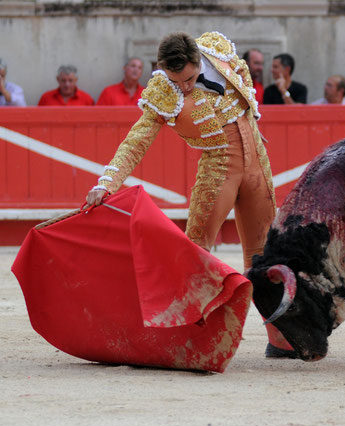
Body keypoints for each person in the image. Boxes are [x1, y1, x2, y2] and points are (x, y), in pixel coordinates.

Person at [85, 31, 294, 359]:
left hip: (257, 169)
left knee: (265, 255)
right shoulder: (162, 89)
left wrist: (251, 118)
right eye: (175, 79)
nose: (182, 87)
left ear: (200, 61)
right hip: (218, 171)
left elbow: (244, 81)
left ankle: (282, 340)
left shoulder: (218, 50)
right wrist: (107, 183)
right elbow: (138, 138)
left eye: (189, 79)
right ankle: (186, 338)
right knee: (196, 253)